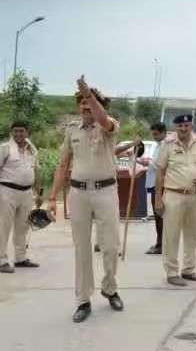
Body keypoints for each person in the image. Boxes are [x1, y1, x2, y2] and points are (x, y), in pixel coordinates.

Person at [49, 76, 123, 323]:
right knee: (81, 248)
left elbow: (103, 119)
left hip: (105, 192)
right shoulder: (71, 130)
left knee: (111, 246)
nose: (85, 108)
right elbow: (62, 164)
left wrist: (90, 96)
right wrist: (51, 197)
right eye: (81, 104)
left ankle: (110, 288)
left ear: (97, 105)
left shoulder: (109, 124)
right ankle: (83, 299)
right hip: (79, 193)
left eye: (89, 103)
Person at [154, 114, 196, 286]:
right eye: (180, 126)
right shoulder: (167, 145)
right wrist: (158, 198)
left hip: (194, 195)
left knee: (193, 234)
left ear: (191, 126)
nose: (183, 129)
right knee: (171, 235)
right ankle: (171, 272)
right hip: (173, 195)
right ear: (175, 128)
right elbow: (160, 172)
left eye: (186, 125)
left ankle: (189, 270)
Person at [0, 121, 41, 273]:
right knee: (3, 226)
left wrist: (39, 193)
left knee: (23, 226)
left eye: (21, 131)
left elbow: (36, 171)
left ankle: (20, 258)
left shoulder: (32, 149)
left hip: (27, 193)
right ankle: (2, 261)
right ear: (11, 132)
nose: (18, 134)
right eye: (15, 131)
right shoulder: (5, 149)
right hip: (7, 191)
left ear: (27, 132)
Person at [137, 123, 166, 254]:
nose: (154, 137)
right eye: (153, 134)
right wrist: (140, 160)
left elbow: (160, 165)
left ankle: (161, 244)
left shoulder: (165, 146)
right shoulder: (159, 146)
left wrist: (147, 162)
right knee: (158, 216)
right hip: (154, 183)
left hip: (160, 185)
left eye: (156, 134)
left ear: (163, 132)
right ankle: (160, 242)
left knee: (160, 216)